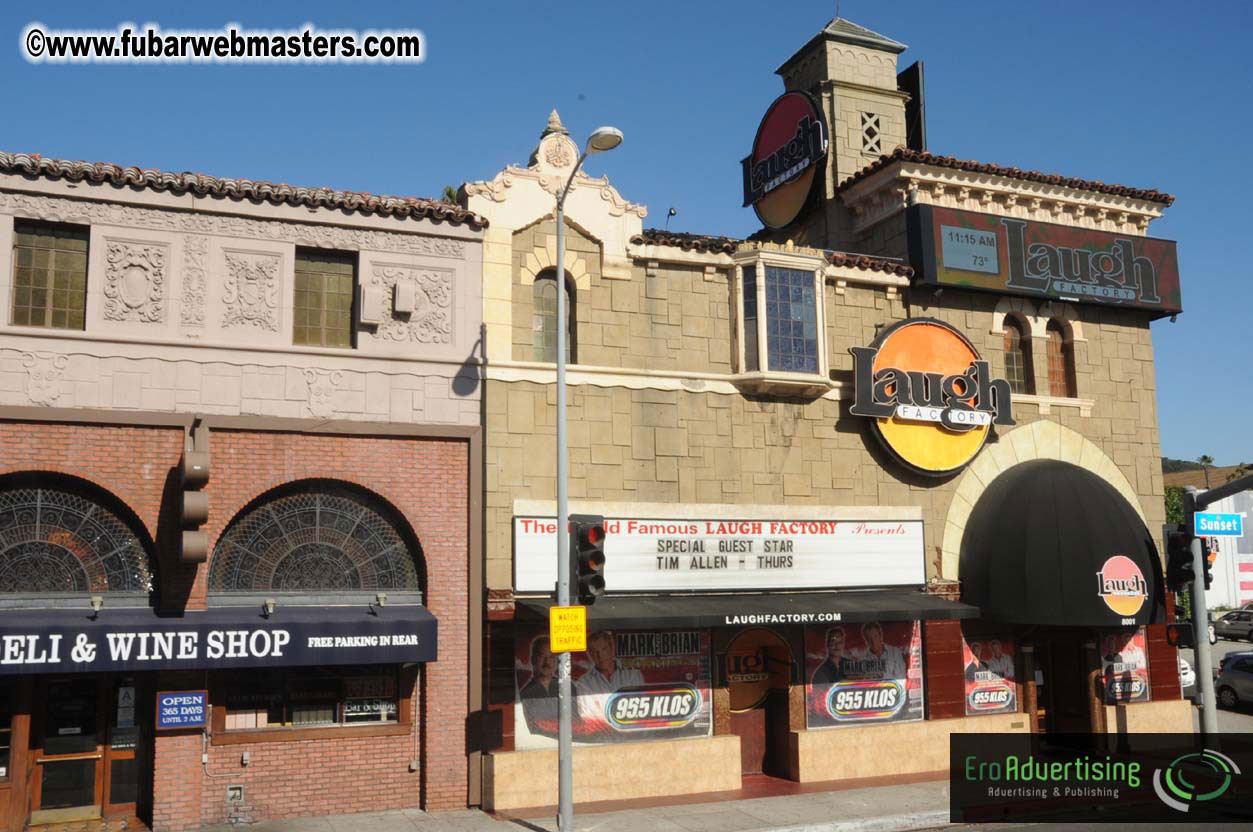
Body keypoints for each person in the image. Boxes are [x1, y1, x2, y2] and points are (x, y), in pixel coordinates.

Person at [573, 630, 644, 696]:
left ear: (612, 649)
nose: (600, 656)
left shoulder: (633, 674)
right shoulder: (584, 682)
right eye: (595, 652)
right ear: (590, 655)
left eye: (604, 649)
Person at [519, 636, 558, 733]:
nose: (547, 662)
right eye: (541, 656)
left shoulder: (567, 688)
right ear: (532, 660)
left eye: (551, 657)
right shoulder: (525, 694)